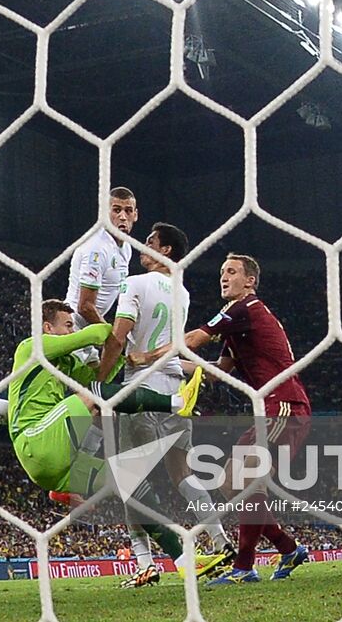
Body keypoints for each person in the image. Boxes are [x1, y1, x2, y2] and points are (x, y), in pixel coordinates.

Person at [131, 253, 311, 584]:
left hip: (284, 406)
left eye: (231, 272)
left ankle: (244, 567)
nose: (223, 278)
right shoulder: (238, 323)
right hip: (271, 410)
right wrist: (161, 368)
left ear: (250, 281)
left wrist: (148, 355)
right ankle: (288, 549)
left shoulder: (242, 310)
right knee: (232, 482)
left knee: (242, 481)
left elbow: (193, 340)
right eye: (221, 272)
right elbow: (215, 372)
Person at [6, 299, 203, 588]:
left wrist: (113, 358)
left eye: (73, 325)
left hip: (57, 468)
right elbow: (95, 335)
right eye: (67, 325)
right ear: (48, 328)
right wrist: (116, 328)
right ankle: (175, 403)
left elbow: (103, 382)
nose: (72, 330)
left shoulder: (67, 364)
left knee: (131, 484)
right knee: (90, 397)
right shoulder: (31, 347)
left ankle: (184, 561)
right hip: (34, 438)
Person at [0, 188, 139, 443]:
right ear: (105, 213)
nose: (122, 216)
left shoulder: (125, 249)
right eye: (116, 210)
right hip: (71, 332)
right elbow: (85, 306)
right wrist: (110, 337)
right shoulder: (96, 249)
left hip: (87, 336)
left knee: (49, 410)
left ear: (136, 215)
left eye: (127, 211)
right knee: (90, 403)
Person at [105, 223, 234, 583]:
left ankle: (145, 562)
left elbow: (120, 335)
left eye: (150, 242)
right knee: (183, 475)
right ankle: (220, 540)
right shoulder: (183, 293)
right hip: (175, 392)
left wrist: (102, 377)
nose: (143, 246)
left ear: (167, 251)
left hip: (141, 391)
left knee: (129, 480)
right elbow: (175, 349)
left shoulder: (134, 283)